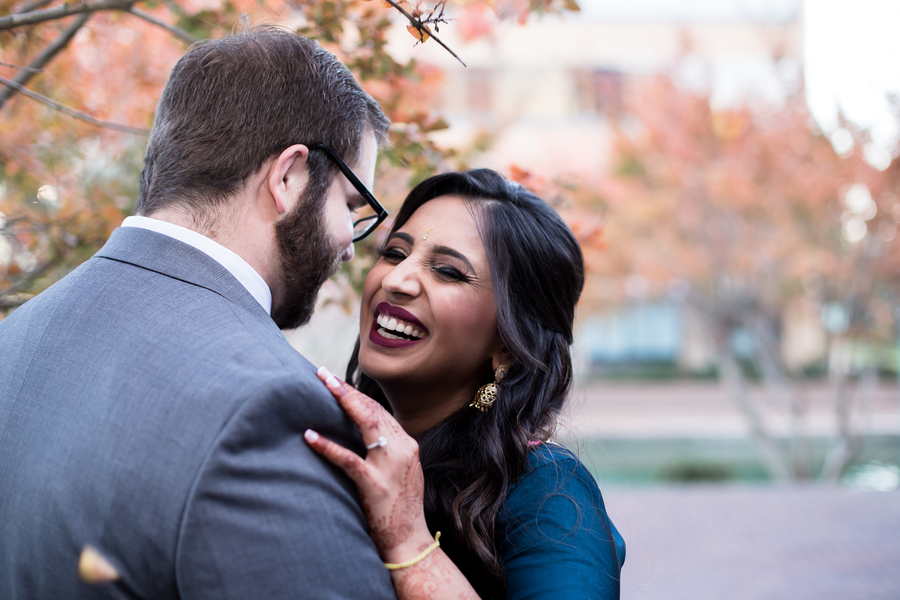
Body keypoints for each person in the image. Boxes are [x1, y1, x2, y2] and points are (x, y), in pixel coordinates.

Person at [0, 27, 398, 600]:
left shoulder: (16, 338)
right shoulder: (267, 409)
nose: (350, 243)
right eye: (353, 204)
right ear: (288, 177)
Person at [304, 169, 625, 599]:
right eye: (395, 253)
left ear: (509, 345)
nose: (395, 281)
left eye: (448, 272)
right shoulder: (335, 442)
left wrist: (408, 540)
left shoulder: (546, 491)